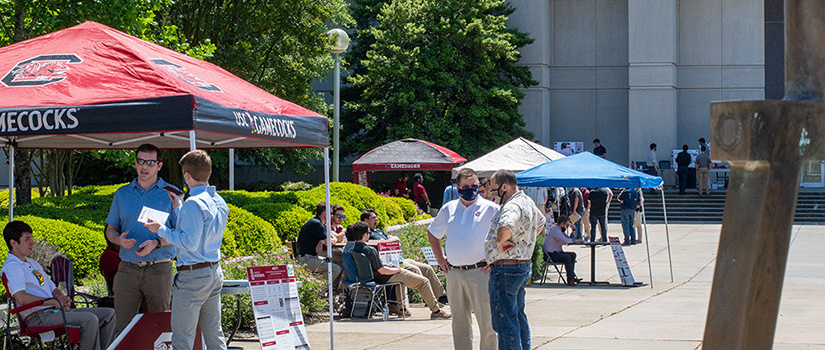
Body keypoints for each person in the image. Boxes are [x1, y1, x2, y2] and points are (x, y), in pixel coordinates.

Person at [145, 150, 228, 350]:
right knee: (214, 333)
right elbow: (201, 229)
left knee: (182, 339)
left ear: (187, 176)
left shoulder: (194, 203)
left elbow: (189, 242)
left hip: (192, 276)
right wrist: (179, 208)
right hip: (213, 271)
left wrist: (161, 230)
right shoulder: (219, 201)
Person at [2, 221, 116, 350]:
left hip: (53, 311)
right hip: (38, 316)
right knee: (89, 320)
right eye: (27, 239)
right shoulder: (12, 266)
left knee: (109, 314)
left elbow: (52, 288)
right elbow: (21, 298)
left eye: (31, 238)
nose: (32, 242)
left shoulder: (32, 263)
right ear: (13, 243)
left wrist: (62, 298)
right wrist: (52, 301)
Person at [105, 143, 178, 335]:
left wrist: (157, 243)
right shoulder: (122, 193)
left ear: (159, 166)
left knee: (161, 327)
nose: (144, 167)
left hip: (159, 268)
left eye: (150, 162)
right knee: (123, 329)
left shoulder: (172, 193)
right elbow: (111, 228)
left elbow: (182, 232)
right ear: (135, 162)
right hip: (127, 268)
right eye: (140, 161)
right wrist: (118, 240)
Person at [428, 168, 500, 350]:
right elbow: (433, 233)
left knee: (488, 322)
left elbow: (504, 236)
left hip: (481, 271)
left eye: (474, 186)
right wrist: (440, 258)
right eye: (466, 186)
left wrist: (496, 259)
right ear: (458, 187)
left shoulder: (491, 209)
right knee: (459, 322)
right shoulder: (449, 208)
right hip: (454, 272)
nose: (471, 189)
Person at [485, 169, 545, 350]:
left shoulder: (511, 206)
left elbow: (506, 226)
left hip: (506, 269)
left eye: (495, 191)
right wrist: (524, 242)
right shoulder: (527, 201)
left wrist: (501, 242)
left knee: (505, 323)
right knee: (518, 317)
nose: (493, 196)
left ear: (505, 186)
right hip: (521, 266)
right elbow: (540, 223)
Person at [347, 222, 452, 319]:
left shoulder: (356, 249)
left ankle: (402, 310)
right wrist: (397, 270)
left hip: (372, 278)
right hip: (385, 276)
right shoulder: (369, 250)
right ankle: (436, 311)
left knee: (401, 282)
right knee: (424, 282)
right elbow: (383, 270)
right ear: (365, 235)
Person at [361, 209, 447, 314]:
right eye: (373, 218)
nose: (377, 219)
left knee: (427, 268)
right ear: (366, 221)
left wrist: (388, 241)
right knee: (417, 273)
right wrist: (389, 240)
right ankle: (431, 302)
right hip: (390, 263)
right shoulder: (367, 236)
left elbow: (395, 239)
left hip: (398, 259)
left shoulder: (379, 231)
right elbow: (385, 242)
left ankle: (441, 296)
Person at [296, 202, 343, 289]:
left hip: (309, 257)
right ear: (325, 213)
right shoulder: (317, 224)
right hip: (307, 259)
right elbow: (331, 240)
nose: (332, 216)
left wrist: (323, 241)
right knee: (335, 269)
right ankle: (318, 290)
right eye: (331, 213)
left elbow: (329, 238)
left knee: (337, 263)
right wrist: (330, 240)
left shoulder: (317, 222)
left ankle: (327, 290)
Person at [541, 216, 583, 286]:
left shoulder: (560, 231)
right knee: (567, 257)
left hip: (556, 253)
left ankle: (571, 276)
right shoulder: (555, 231)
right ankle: (570, 280)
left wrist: (574, 230)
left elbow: (569, 238)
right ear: (562, 224)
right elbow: (566, 241)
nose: (567, 227)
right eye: (567, 225)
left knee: (572, 255)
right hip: (550, 255)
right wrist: (577, 241)